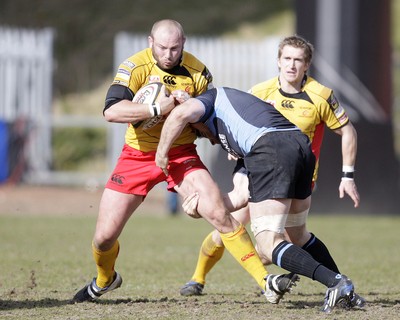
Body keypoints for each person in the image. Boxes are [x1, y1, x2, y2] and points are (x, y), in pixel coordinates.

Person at [73, 19, 296, 304]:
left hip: (181, 155)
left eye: (175, 48)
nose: (168, 54)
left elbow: (209, 122)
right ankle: (106, 279)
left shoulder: (198, 73)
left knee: (218, 214)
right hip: (137, 156)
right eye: (162, 47)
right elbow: (112, 111)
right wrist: (157, 107)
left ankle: (267, 282)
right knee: (104, 238)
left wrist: (200, 116)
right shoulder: (135, 66)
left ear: (184, 44)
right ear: (150, 42)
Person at [178, 35, 365, 310]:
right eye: (287, 59)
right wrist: (234, 147)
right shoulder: (261, 91)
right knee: (232, 229)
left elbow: (347, 130)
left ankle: (328, 282)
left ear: (307, 65)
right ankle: (198, 278)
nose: (291, 65)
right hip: (263, 171)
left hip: (298, 174)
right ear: (278, 61)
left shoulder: (320, 95)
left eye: (298, 60)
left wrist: (347, 175)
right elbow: (240, 125)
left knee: (272, 242)